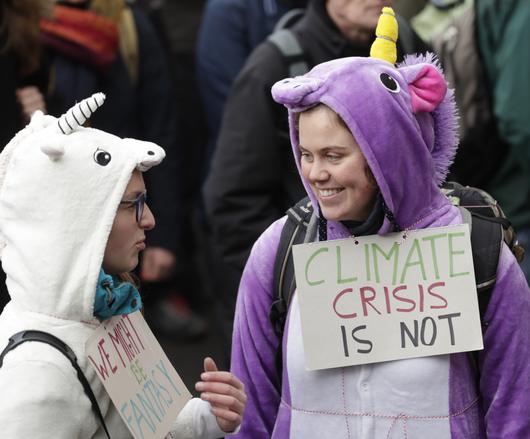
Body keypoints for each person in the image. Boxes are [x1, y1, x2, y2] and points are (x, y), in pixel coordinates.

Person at [230, 8, 530, 438]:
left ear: (385, 155)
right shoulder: (278, 250)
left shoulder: (477, 254)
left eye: (334, 156)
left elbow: (515, 415)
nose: (315, 174)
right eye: (306, 155)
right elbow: (251, 417)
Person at [0, 95, 246, 438]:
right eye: (133, 204)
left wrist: (208, 417)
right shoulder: (37, 373)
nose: (150, 220)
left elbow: (154, 421)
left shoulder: (109, 301)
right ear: (79, 218)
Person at [203, 0, 429, 355]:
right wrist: (296, 291)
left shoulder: (410, 45)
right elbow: (233, 199)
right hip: (319, 304)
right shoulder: (275, 64)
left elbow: (436, 159)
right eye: (309, 156)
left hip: (410, 294)